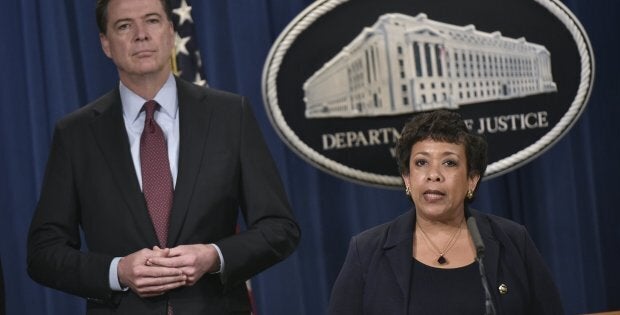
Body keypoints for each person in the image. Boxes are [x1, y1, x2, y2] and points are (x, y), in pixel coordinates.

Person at [27, 0, 300, 313]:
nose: (141, 35)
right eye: (124, 26)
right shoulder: (75, 134)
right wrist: (117, 272)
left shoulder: (229, 115)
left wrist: (214, 255)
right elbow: (43, 252)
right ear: (105, 43)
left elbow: (280, 228)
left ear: (171, 32)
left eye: (153, 21)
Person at [327, 110, 563, 314]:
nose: (433, 174)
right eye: (421, 163)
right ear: (407, 179)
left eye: (449, 163)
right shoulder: (367, 252)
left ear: (472, 179)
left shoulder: (513, 241)